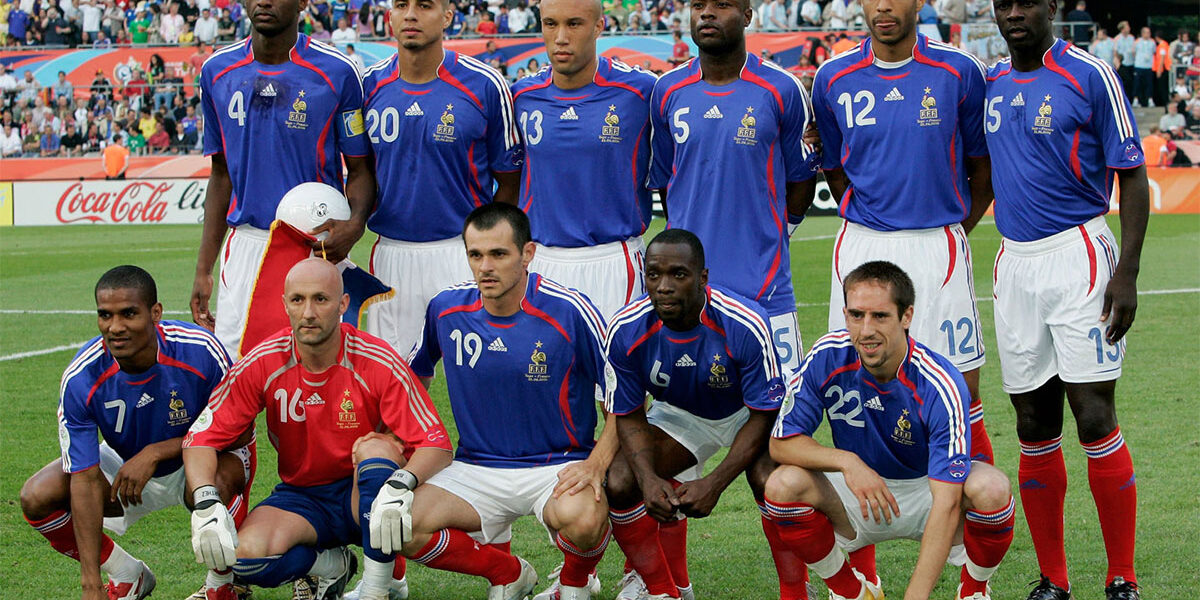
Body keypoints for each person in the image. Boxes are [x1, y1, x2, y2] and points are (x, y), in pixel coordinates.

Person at [810, 0, 997, 527]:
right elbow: (834, 167)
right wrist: (874, 220)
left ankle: (969, 540)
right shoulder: (831, 77)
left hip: (937, 243)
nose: (884, 6)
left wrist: (949, 228)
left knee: (963, 386)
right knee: (854, 383)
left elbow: (982, 168)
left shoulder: (960, 71)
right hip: (863, 244)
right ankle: (863, 553)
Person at [985, 2, 1149, 598]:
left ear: (1051, 7)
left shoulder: (1089, 74)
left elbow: (1133, 174)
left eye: (1027, 2)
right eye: (1004, 3)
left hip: (1079, 254)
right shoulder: (991, 81)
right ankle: (1054, 579)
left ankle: (1122, 576)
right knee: (1032, 423)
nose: (1015, 13)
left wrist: (1127, 272)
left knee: (1094, 414)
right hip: (1014, 262)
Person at [381, 203, 615, 600]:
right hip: (475, 466)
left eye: (498, 254)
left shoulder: (570, 310)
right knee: (400, 524)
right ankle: (508, 573)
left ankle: (574, 583)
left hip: (556, 464)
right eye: (475, 255)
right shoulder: (446, 308)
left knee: (584, 518)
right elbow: (414, 377)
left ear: (527, 254)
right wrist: (396, 437)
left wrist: (595, 464)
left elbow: (621, 398)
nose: (485, 267)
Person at [183, 258, 453, 600]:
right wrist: (206, 501)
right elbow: (200, 439)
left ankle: (376, 588)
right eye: (298, 300)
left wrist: (401, 483)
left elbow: (436, 444)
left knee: (376, 450)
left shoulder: (377, 359)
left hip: (364, 490)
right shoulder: (263, 360)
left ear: (342, 304)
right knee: (245, 559)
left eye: (320, 299)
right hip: (302, 496)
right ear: (285, 304)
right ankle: (331, 565)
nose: (308, 312)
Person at [766, 261, 1015, 600]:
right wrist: (848, 462)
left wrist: (915, 595)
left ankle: (973, 590)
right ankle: (852, 592)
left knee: (992, 488)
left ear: (906, 316)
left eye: (880, 316)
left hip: (929, 493)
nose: (866, 330)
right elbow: (781, 444)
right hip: (858, 496)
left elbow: (946, 502)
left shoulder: (939, 382)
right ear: (845, 314)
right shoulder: (826, 356)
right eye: (856, 315)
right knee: (782, 484)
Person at [19, 265, 255, 600]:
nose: (115, 327)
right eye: (105, 315)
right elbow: (84, 478)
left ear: (155, 313)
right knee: (37, 495)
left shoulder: (201, 350)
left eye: (128, 313)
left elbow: (241, 432)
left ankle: (221, 583)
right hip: (125, 463)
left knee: (217, 482)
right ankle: (126, 574)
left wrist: (157, 452)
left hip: (200, 460)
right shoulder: (81, 377)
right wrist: (91, 585)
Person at [604, 230, 796, 600]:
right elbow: (628, 413)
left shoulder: (745, 322)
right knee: (621, 480)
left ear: (702, 277)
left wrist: (715, 482)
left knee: (772, 480)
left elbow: (765, 412)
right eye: (654, 274)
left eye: (678, 274)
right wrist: (647, 479)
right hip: (680, 415)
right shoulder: (626, 328)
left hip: (746, 414)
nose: (664, 287)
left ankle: (795, 592)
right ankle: (665, 591)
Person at [191, 0, 375, 358]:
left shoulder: (337, 71)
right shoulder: (217, 71)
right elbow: (221, 173)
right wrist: (203, 269)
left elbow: (361, 168)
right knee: (237, 371)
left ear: (303, 2)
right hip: (246, 245)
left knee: (316, 369)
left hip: (313, 245)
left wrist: (355, 225)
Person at [649, 0, 817, 379]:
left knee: (780, 410)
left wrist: (777, 232)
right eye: (698, 5)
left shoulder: (782, 89)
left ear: (747, 16)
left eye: (722, 5)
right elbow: (666, 182)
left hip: (764, 290)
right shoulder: (666, 90)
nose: (707, 14)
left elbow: (802, 179)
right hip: (688, 294)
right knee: (685, 410)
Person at [359, 0, 520, 359]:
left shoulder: (485, 85)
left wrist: (485, 244)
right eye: (401, 5)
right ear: (390, 15)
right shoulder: (369, 85)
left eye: (425, 5)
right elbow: (362, 171)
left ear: (447, 16)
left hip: (461, 252)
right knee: (394, 378)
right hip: (392, 252)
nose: (411, 15)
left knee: (482, 371)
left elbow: (510, 180)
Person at [510, 0, 656, 320]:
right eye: (551, 24)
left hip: (614, 261)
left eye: (574, 24)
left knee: (615, 356)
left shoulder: (642, 91)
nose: (561, 37)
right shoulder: (521, 95)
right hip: (541, 261)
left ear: (599, 27)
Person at [1131, 27, 1155, 107]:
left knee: (1149, 84)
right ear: (1142, 33)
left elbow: (1153, 52)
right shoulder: (1137, 42)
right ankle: (1136, 99)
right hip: (1139, 66)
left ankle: (1149, 99)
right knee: (1137, 83)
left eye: (1149, 32)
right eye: (1146, 32)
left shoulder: (1152, 42)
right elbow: (1133, 52)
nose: (1148, 34)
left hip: (1148, 66)